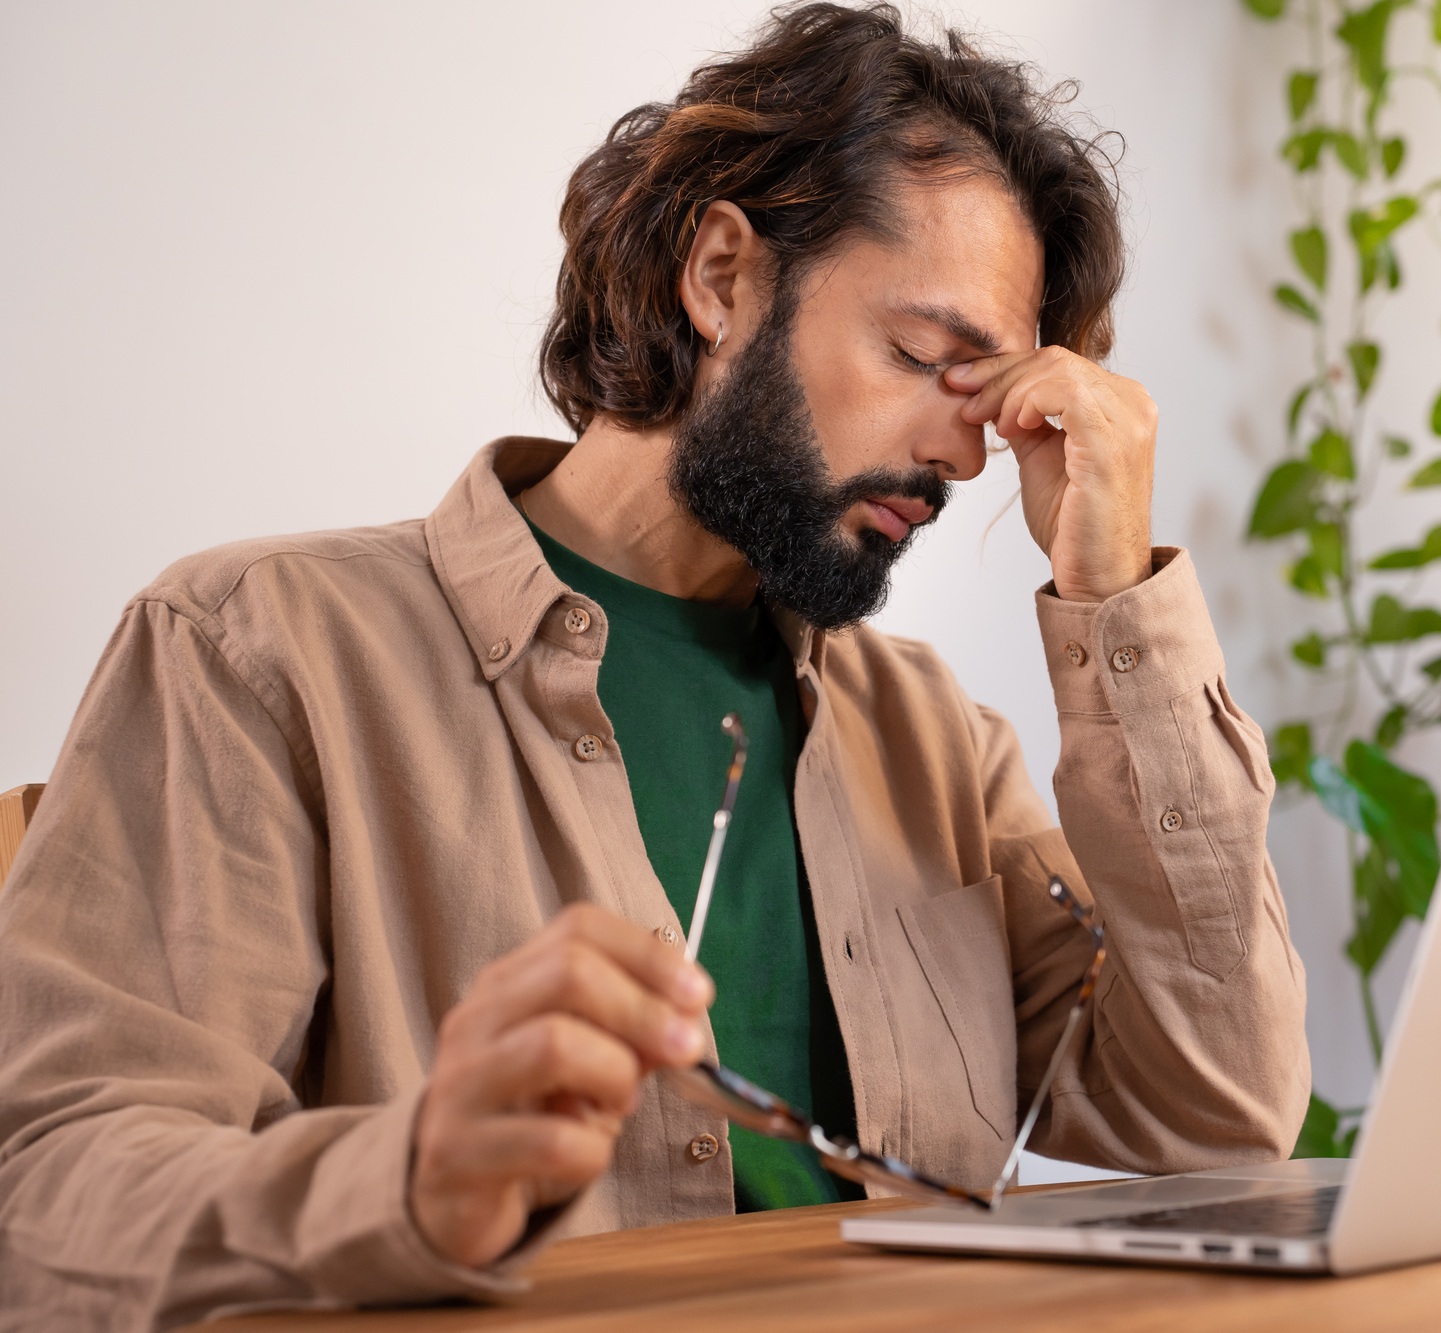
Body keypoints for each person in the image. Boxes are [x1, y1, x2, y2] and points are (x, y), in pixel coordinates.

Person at [0, 3, 1309, 1325]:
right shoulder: (259, 650)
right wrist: (403, 1183)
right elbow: (49, 1195)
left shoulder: (934, 743)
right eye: (923, 357)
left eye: (993, 397)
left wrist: (1115, 601)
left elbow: (1216, 1113)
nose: (967, 459)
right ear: (724, 275)